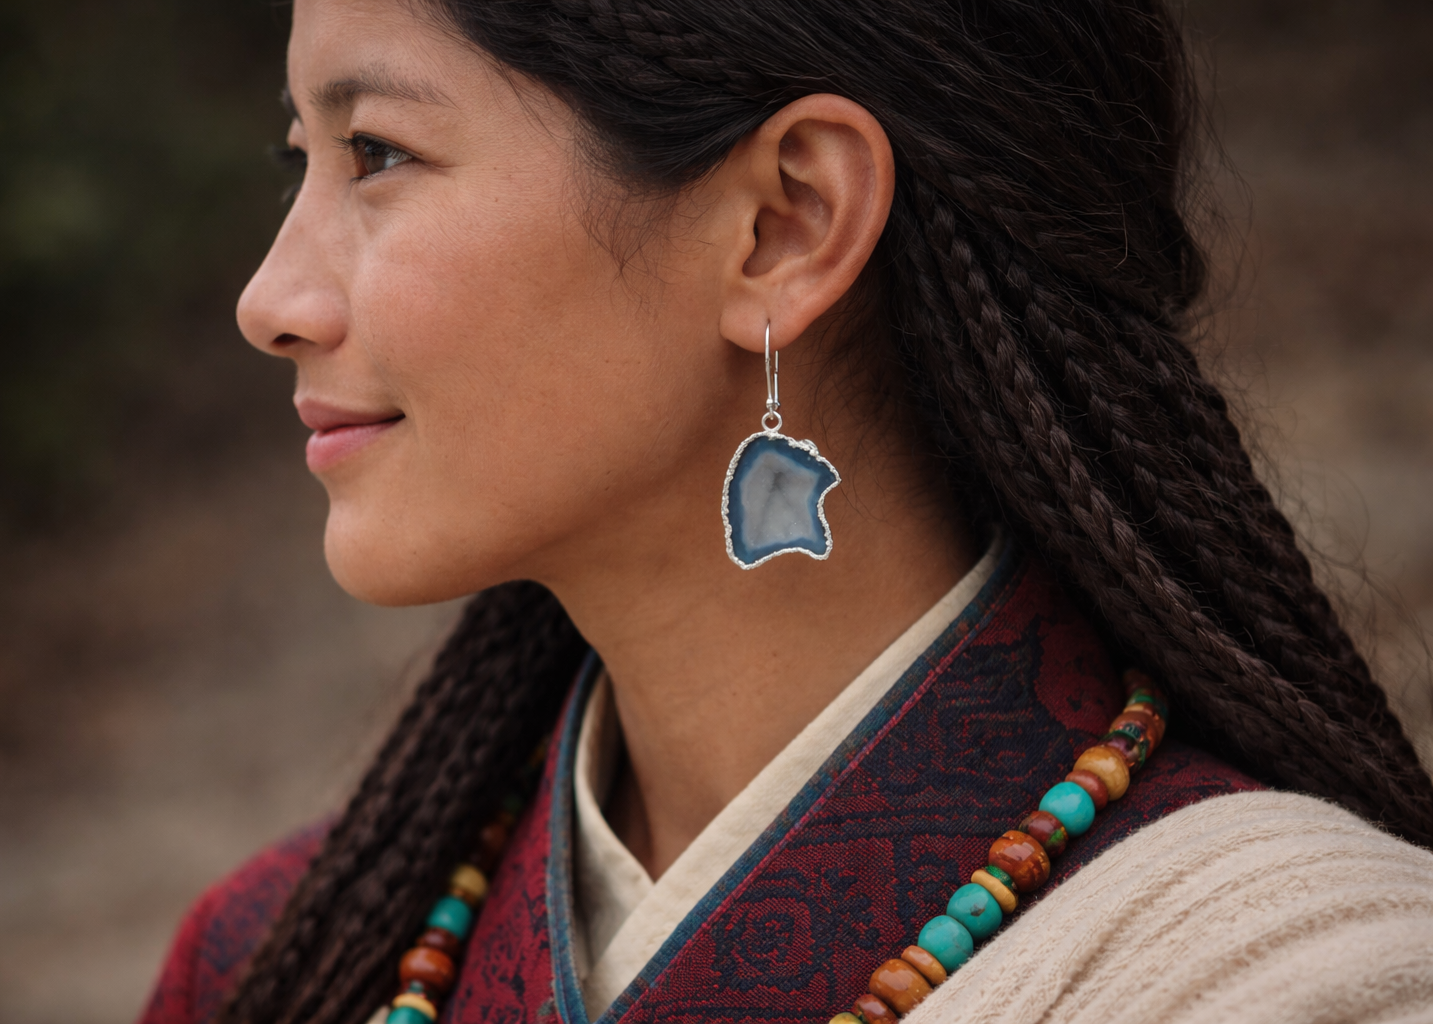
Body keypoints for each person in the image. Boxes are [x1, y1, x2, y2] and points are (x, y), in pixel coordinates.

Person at [138, 1, 1433, 1023]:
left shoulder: (1294, 985)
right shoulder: (289, 962)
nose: (271, 299)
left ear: (782, 225)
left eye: (377, 153)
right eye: (298, 156)